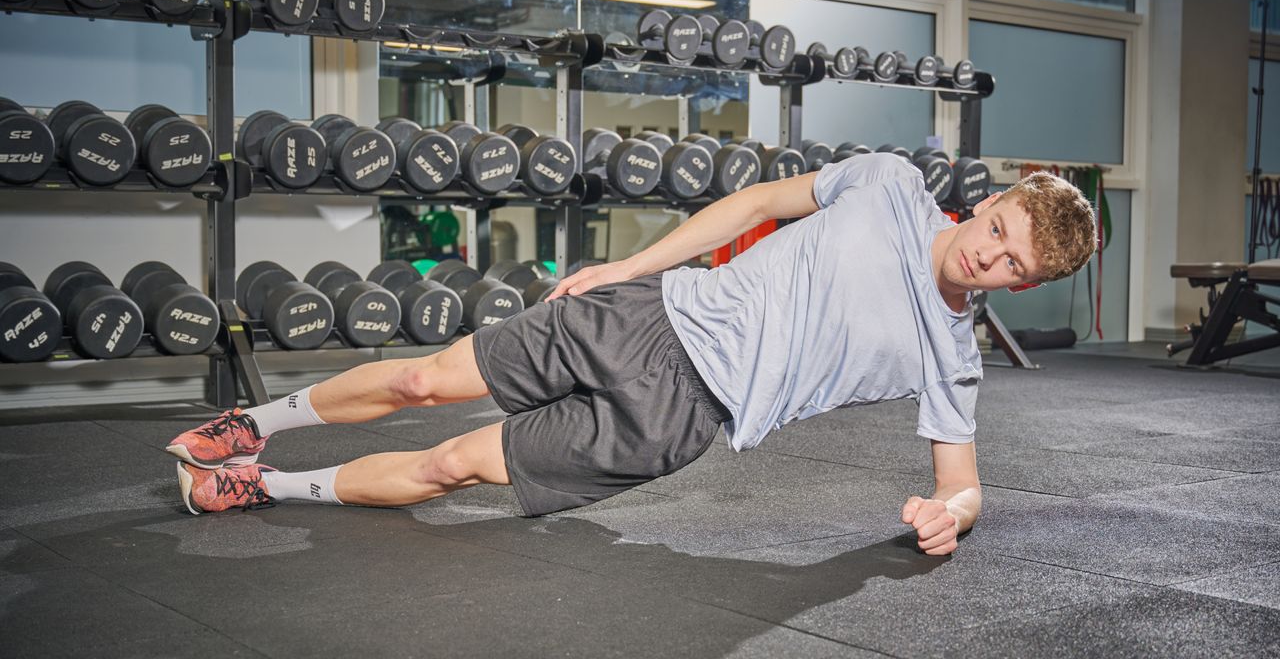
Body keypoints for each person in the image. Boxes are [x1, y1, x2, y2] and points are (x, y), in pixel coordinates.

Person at [169, 153, 1096, 557]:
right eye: (1002, 230)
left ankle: (265, 486)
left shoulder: (953, 353)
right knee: (423, 378)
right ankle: (249, 423)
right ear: (993, 203)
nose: (992, 256)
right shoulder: (890, 184)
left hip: (677, 418)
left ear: (1025, 285)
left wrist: (955, 514)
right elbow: (755, 207)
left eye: (1016, 266)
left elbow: (964, 478)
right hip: (647, 313)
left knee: (456, 464)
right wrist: (631, 264)